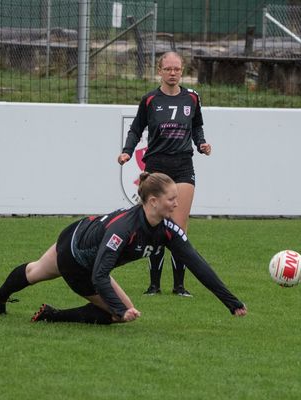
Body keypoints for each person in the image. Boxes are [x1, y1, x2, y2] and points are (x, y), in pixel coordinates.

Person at [0, 172, 247, 324]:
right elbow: (99, 274)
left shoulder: (167, 229)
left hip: (77, 233)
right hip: (78, 262)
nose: (177, 205)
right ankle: (53, 316)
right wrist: (120, 310)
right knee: (120, 314)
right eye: (172, 199)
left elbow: (197, 263)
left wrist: (231, 303)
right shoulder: (125, 230)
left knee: (34, 271)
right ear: (153, 201)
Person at [118, 51, 211, 298]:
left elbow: (197, 125)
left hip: (183, 167)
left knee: (179, 228)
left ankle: (179, 286)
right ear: (159, 70)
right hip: (156, 167)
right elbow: (136, 129)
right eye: (168, 69)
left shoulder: (192, 98)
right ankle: (153, 286)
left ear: (182, 71)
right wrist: (127, 152)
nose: (172, 73)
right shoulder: (150, 99)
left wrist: (201, 144)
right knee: (156, 226)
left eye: (177, 69)